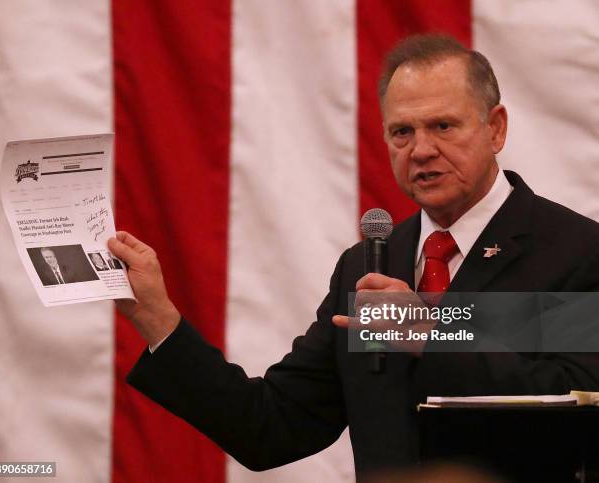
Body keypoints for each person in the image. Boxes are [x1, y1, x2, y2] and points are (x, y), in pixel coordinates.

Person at [107, 35, 599, 478]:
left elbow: (577, 411)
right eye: (401, 132)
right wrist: (159, 321)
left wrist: (436, 335)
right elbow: (272, 428)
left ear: (495, 129)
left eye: (443, 125)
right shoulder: (368, 266)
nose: (421, 149)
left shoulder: (575, 251)